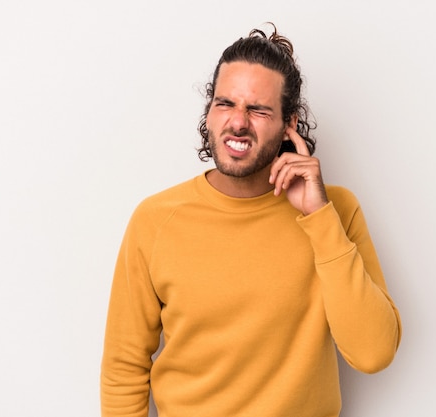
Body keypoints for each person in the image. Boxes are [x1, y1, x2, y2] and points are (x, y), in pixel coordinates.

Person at [101, 24, 402, 417]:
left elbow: (373, 353)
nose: (238, 122)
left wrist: (320, 217)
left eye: (258, 109)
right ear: (209, 112)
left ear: (288, 124)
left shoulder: (335, 211)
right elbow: (124, 368)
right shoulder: (155, 220)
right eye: (226, 103)